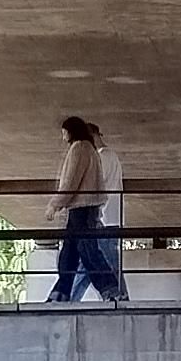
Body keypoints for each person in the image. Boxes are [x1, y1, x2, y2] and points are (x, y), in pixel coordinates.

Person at [45, 115, 128, 306]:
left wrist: (55, 204)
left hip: (83, 207)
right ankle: (62, 291)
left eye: (64, 131)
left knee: (87, 252)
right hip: (85, 208)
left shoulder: (80, 148)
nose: (62, 135)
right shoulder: (90, 150)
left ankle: (110, 291)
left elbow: (71, 181)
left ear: (71, 131)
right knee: (71, 252)